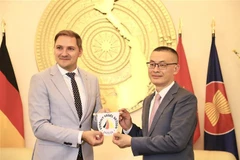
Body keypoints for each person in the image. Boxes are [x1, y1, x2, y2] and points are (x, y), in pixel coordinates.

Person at [28, 30, 108, 160]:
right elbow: (40, 127)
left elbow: (92, 123)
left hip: (84, 155)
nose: (64, 53)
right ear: (54, 49)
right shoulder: (40, 80)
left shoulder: (92, 80)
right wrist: (80, 136)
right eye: (59, 48)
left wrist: (104, 118)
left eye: (70, 49)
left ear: (80, 52)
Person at [112, 46, 197, 160]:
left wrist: (132, 142)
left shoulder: (185, 99)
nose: (155, 70)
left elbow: (175, 141)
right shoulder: (148, 100)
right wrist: (129, 127)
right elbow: (149, 137)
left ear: (175, 69)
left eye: (162, 65)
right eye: (152, 64)